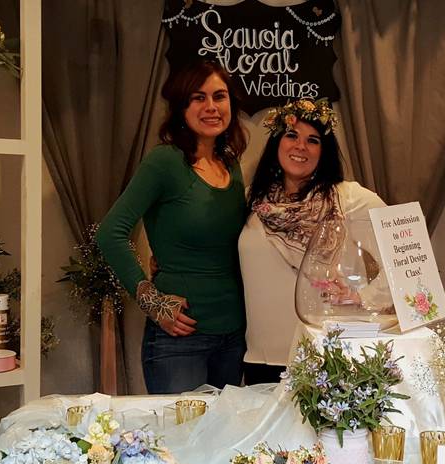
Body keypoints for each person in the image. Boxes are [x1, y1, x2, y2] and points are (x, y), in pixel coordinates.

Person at [97, 60, 248, 393]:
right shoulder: (165, 161)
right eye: (198, 98)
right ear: (181, 107)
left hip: (234, 335)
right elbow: (111, 233)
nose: (211, 107)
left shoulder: (231, 165)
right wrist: (152, 302)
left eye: (219, 96)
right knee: (179, 443)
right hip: (181, 339)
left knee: (222, 443)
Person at [239, 98, 388, 384]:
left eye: (313, 140)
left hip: (322, 355)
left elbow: (404, 257)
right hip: (259, 357)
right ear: (277, 143)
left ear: (325, 150)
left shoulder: (349, 198)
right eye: (292, 135)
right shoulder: (252, 200)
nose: (300, 147)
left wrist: (363, 297)